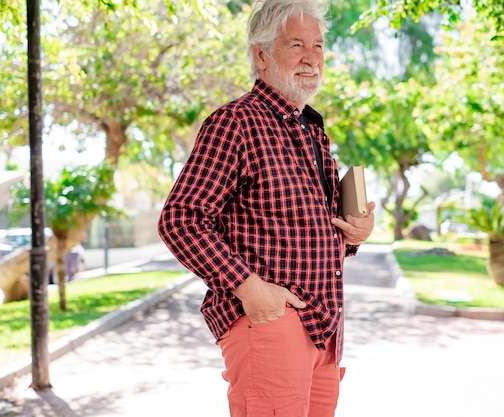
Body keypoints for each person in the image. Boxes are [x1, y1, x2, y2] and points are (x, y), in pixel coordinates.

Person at [157, 0, 375, 415]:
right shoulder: (235, 122)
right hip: (271, 323)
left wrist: (354, 234)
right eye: (296, 44)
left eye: (318, 45)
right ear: (261, 54)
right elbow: (181, 219)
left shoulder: (311, 130)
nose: (311, 58)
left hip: (324, 328)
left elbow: (310, 229)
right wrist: (249, 288)